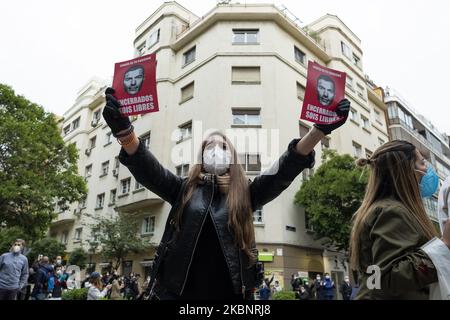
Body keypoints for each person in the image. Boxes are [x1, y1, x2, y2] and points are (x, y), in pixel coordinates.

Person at [102, 87, 350, 300]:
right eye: (208, 146)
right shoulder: (182, 189)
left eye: (222, 147)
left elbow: (283, 170)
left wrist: (318, 130)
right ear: (200, 157)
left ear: (232, 157)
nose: (215, 150)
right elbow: (148, 169)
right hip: (176, 294)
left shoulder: (247, 193)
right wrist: (124, 132)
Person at [350, 140, 450, 299]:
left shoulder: (390, 209)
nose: (427, 169)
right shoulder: (390, 212)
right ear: (406, 170)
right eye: (422, 162)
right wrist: (444, 245)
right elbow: (387, 278)